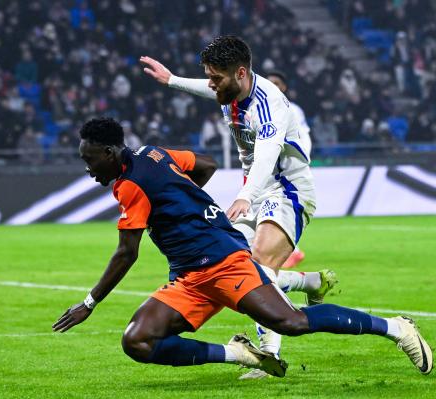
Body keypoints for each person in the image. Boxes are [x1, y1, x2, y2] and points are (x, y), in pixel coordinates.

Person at [52, 117, 433, 379]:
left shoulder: (131, 185)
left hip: (222, 260)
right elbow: (205, 164)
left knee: (291, 323)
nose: (88, 169)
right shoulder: (155, 153)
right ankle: (241, 353)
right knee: (137, 341)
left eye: (90, 159)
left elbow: (126, 253)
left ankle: (396, 328)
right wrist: (187, 201)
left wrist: (88, 303)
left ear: (110, 152)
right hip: (189, 276)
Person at [140, 36, 337, 378]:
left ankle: (269, 355)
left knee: (259, 265)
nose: (211, 84)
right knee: (234, 264)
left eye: (216, 78)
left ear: (241, 73)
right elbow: (208, 88)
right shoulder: (229, 92)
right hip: (255, 189)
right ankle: (310, 283)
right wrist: (172, 80)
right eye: (210, 77)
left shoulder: (270, 103)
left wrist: (247, 195)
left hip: (286, 188)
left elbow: (267, 154)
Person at [265, 69, 311, 269]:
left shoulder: (292, 109)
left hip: (284, 169)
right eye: (269, 83)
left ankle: (293, 250)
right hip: (268, 167)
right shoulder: (260, 109)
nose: (272, 86)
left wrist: (297, 163)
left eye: (276, 82)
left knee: (278, 207)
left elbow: (303, 137)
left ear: (284, 88)